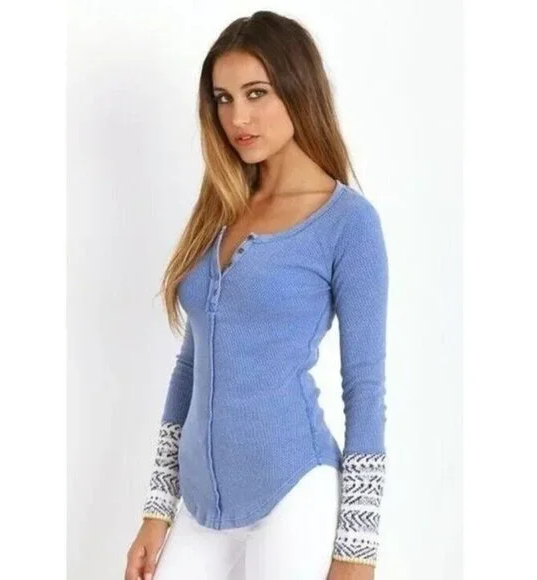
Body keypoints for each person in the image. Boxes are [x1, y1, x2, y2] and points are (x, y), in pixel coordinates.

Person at [124, 10, 389, 580]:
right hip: (200, 504)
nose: (237, 118)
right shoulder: (220, 208)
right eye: (223, 99)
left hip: (294, 492)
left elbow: (365, 389)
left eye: (256, 93)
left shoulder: (348, 223)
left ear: (298, 88)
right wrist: (157, 508)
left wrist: (357, 550)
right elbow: (191, 364)